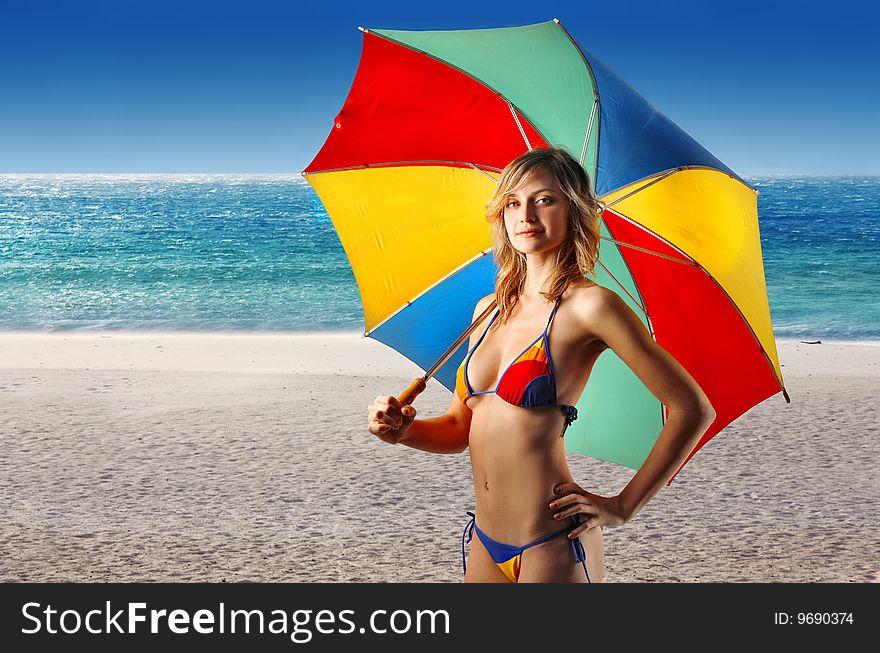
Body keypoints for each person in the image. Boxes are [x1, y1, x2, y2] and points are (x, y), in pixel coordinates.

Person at [367, 147, 716, 583]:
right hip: (485, 540)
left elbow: (693, 408)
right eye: (513, 202)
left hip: (551, 541)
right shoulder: (487, 310)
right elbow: (461, 429)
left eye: (544, 199)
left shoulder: (591, 306)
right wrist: (405, 432)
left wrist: (623, 506)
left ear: (573, 209)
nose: (525, 214)